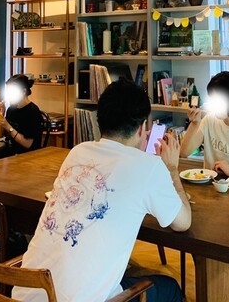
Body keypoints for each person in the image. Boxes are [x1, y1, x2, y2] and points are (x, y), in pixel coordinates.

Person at [13, 79, 191, 302]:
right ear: (142, 128)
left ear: (100, 121)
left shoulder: (77, 152)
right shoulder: (149, 166)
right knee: (170, 287)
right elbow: (183, 223)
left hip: (23, 294)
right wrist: (172, 169)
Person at [0, 74, 43, 154]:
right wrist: (1, 115)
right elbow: (1, 136)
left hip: (28, 155)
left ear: (23, 91)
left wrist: (8, 127)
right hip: (10, 152)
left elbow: (28, 144)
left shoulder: (33, 112)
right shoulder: (11, 110)